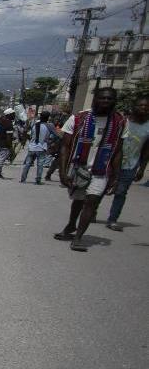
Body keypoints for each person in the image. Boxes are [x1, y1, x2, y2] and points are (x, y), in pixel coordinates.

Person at [53, 87, 125, 251]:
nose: (106, 102)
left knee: (91, 201)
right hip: (79, 167)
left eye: (110, 99)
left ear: (114, 101)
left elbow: (118, 151)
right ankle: (71, 225)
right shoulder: (79, 118)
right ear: (95, 99)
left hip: (102, 169)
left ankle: (78, 237)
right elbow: (65, 146)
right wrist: (63, 172)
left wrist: (116, 176)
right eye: (102, 98)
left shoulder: (119, 122)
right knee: (78, 200)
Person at [105, 96, 149, 231]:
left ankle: (112, 220)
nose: (144, 108)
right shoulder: (122, 121)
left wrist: (142, 168)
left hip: (130, 164)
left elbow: (147, 149)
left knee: (121, 192)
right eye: (141, 105)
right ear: (134, 106)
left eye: (147, 106)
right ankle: (92, 211)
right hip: (111, 162)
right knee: (102, 188)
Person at [19, 111, 55, 185]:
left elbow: (29, 134)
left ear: (40, 117)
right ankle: (38, 180)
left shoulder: (34, 125)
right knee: (40, 165)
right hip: (41, 148)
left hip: (32, 147)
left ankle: (23, 179)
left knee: (28, 164)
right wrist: (50, 141)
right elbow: (57, 135)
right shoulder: (50, 126)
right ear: (48, 118)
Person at [0, 109, 16, 178]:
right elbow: (9, 137)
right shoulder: (9, 124)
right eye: (13, 114)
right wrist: (10, 146)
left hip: (0, 143)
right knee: (1, 159)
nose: (14, 116)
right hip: (5, 144)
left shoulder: (0, 122)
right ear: (9, 115)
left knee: (0, 158)